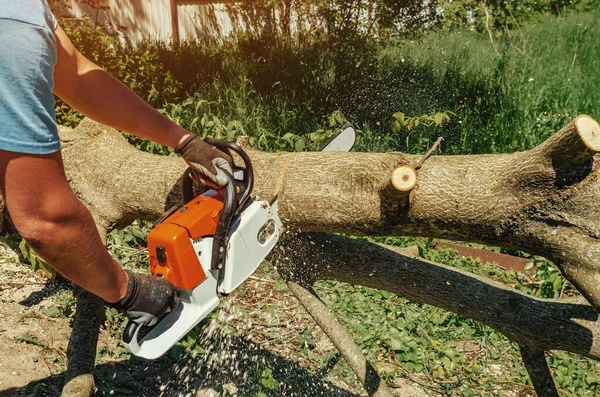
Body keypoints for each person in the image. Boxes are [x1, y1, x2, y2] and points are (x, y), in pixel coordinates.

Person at [0, 1, 232, 327]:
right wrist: (129, 291)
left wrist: (183, 140)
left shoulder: (24, 10)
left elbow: (78, 76)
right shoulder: (12, 29)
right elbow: (45, 219)